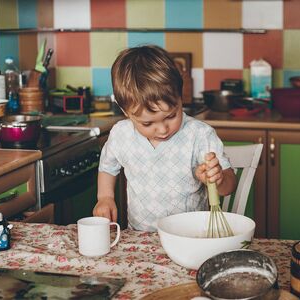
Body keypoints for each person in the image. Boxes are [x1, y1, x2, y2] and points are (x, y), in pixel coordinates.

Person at [93, 45, 237, 231]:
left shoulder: (199, 134)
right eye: (147, 123)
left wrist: (218, 179)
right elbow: (107, 167)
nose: (162, 130)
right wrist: (105, 198)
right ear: (126, 112)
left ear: (180, 97)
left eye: (171, 116)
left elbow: (229, 187)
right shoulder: (121, 134)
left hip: (190, 235)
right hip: (141, 237)